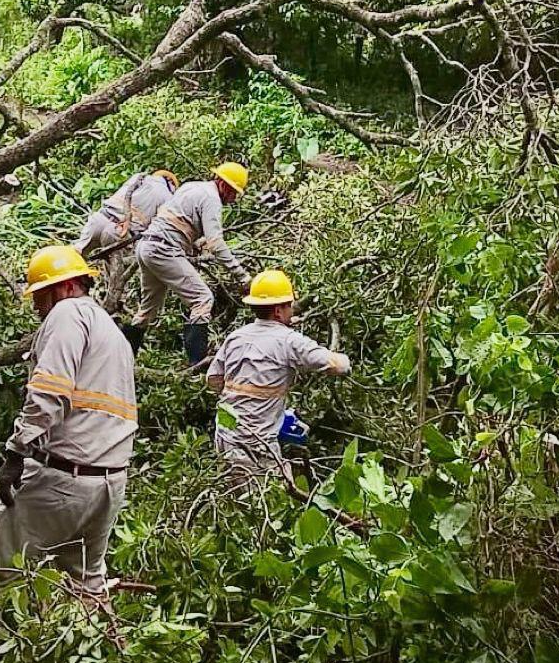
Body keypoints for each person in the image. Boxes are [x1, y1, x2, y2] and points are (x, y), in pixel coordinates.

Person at [0, 245, 136, 600]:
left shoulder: (68, 314)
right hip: (109, 484)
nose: (38, 308)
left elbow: (48, 394)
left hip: (62, 479)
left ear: (64, 288)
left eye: (40, 296)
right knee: (86, 588)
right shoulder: (113, 333)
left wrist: (15, 453)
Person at [206, 269, 351, 473]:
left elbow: (213, 380)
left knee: (233, 497)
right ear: (278, 310)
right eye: (289, 305)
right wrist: (344, 359)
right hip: (256, 444)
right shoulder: (289, 340)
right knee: (273, 494)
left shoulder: (236, 337)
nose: (292, 309)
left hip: (225, 435)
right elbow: (338, 365)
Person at [121, 162, 251, 362]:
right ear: (224, 185)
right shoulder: (212, 199)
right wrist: (242, 276)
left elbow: (176, 220)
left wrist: (192, 243)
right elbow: (215, 243)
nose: (233, 199)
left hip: (146, 246)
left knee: (148, 310)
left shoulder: (192, 186)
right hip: (163, 250)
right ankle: (196, 364)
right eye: (234, 193)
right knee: (202, 299)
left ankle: (122, 357)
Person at [72, 169, 179, 258]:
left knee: (76, 257)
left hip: (99, 220)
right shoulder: (168, 198)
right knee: (113, 273)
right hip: (119, 233)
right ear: (171, 183)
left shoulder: (139, 177)